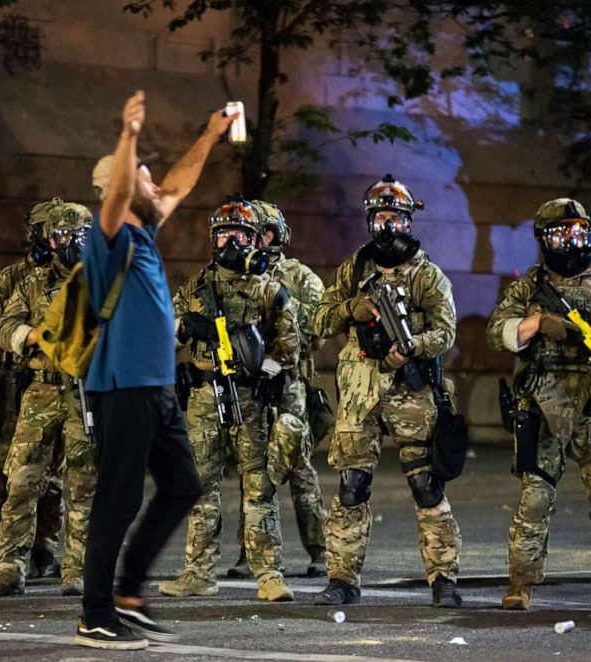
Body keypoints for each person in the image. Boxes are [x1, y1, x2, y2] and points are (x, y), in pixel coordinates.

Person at [74, 90, 226, 650]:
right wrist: (128, 136)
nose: (155, 181)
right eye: (144, 174)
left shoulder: (143, 232)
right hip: (123, 386)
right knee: (117, 499)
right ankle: (95, 614)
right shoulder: (107, 236)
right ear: (121, 181)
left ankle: (129, 595)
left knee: (183, 484)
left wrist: (209, 134)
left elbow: (180, 185)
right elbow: (116, 199)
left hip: (158, 389)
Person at [486, 197, 591, 616]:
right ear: (545, 239)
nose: (572, 240)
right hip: (544, 407)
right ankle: (520, 584)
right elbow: (497, 333)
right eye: (563, 233)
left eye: (579, 231)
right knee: (535, 501)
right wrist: (539, 323)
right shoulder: (528, 288)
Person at [311, 174, 463, 608]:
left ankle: (444, 580)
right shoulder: (353, 268)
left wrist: (412, 346)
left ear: (409, 221)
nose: (387, 226)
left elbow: (445, 331)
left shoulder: (427, 275)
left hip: (413, 392)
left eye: (395, 217)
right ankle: (342, 579)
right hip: (360, 392)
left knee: (426, 486)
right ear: (370, 221)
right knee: (351, 485)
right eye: (380, 218)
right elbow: (320, 320)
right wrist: (351, 308)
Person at [161, 197, 300, 603]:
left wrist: (265, 377)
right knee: (200, 486)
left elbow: (289, 347)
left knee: (259, 486)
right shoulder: (194, 288)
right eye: (222, 234)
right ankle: (198, 573)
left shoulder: (269, 290)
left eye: (239, 234)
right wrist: (186, 328)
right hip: (206, 397)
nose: (229, 242)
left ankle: (269, 574)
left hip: (249, 399)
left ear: (255, 240)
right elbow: (163, 341)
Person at [0, 200, 94, 598]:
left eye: (78, 236)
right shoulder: (32, 283)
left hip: (87, 391)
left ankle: (77, 569)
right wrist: (38, 335)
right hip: (41, 388)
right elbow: (4, 325)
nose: (69, 243)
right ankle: (10, 565)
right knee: (21, 478)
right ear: (50, 239)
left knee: (83, 483)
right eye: (61, 236)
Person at [224, 199, 328, 580]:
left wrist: (280, 336)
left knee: (297, 464)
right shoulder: (238, 275)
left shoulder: (299, 276)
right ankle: (250, 552)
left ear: (268, 235)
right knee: (250, 467)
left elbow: (318, 328)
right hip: (250, 382)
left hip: (288, 383)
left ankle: (320, 549)